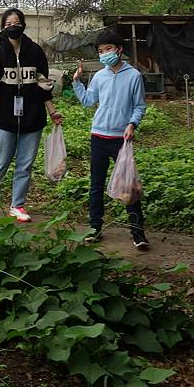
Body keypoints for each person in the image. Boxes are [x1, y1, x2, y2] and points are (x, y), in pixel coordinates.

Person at [0, 8, 62, 221]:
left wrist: (52, 112)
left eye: (16, 23)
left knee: (25, 164)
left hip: (33, 118)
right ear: (2, 28)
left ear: (23, 25)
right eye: (8, 24)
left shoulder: (36, 52)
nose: (12, 27)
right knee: (0, 161)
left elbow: (43, 84)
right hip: (4, 118)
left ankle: (18, 205)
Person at [72, 30, 149, 249]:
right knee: (96, 185)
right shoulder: (99, 76)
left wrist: (132, 124)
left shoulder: (133, 76)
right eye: (101, 51)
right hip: (98, 136)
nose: (104, 54)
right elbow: (88, 101)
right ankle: (94, 228)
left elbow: (139, 106)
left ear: (119, 50)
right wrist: (77, 82)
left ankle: (138, 234)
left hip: (120, 139)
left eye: (108, 49)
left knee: (129, 186)